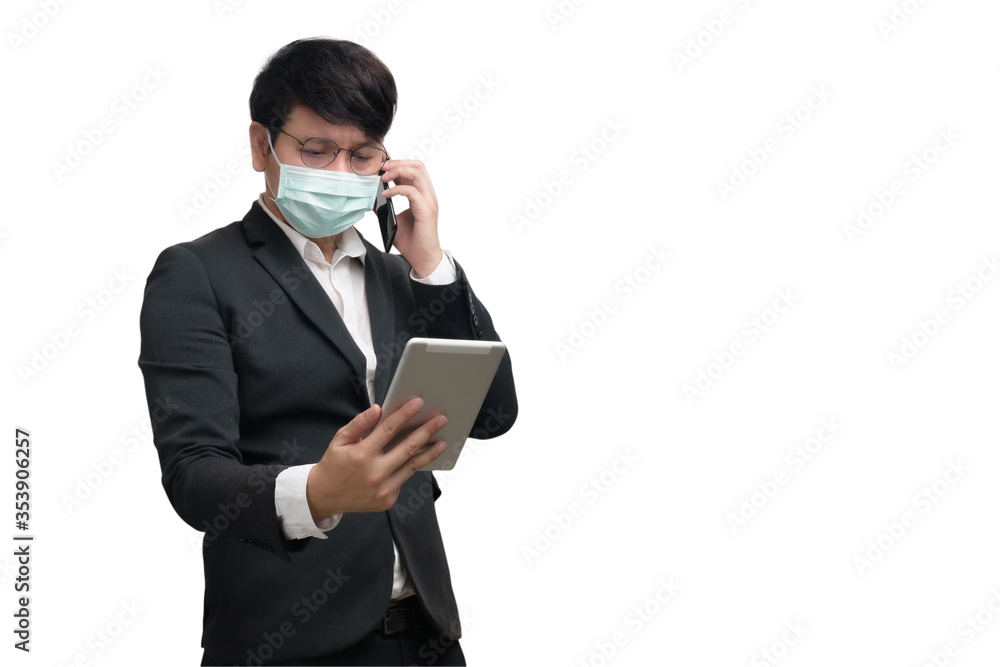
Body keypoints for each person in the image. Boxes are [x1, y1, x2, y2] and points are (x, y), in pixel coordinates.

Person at [137, 38, 517, 666]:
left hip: (426, 636)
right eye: (315, 150)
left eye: (362, 155)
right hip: (286, 642)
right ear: (262, 146)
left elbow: (492, 416)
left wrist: (431, 263)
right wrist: (317, 492)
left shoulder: (400, 273)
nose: (340, 173)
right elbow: (192, 474)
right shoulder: (199, 273)